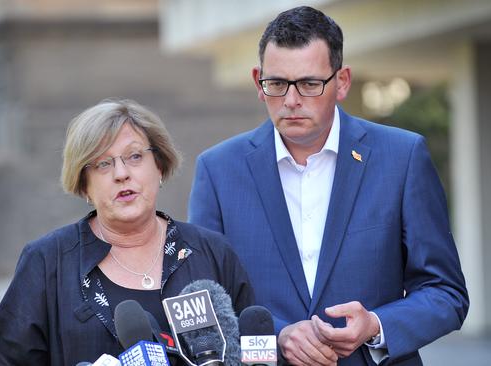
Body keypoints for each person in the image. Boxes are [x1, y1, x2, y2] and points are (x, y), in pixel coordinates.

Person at [188, 6, 468, 366]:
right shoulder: (218, 169)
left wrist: (376, 325)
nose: (291, 100)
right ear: (258, 80)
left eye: (309, 84)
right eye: (276, 84)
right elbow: (203, 299)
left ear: (343, 82)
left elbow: (446, 293)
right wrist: (277, 336)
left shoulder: (402, 157)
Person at [0, 99, 254, 365]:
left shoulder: (212, 252)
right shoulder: (46, 262)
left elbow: (252, 347)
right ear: (84, 184)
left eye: (135, 156)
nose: (121, 173)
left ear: (158, 165)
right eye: (103, 164)